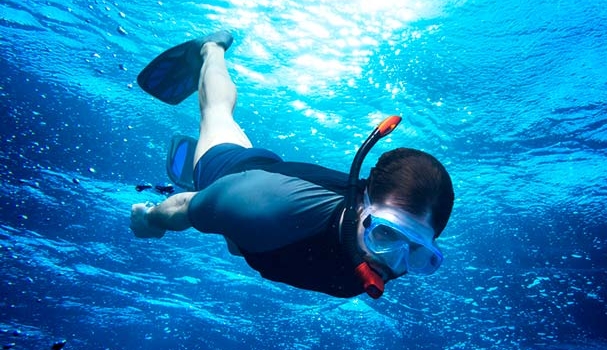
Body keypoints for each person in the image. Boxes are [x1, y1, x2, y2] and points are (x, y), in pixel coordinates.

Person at [130, 31, 454, 299]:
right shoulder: (260, 205)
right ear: (360, 205)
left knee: (238, 241)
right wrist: (152, 220)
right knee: (216, 112)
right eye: (385, 234)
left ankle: (235, 233)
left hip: (268, 222)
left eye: (418, 254)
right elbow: (186, 207)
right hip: (235, 176)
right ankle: (211, 49)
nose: (394, 263)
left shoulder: (365, 249)